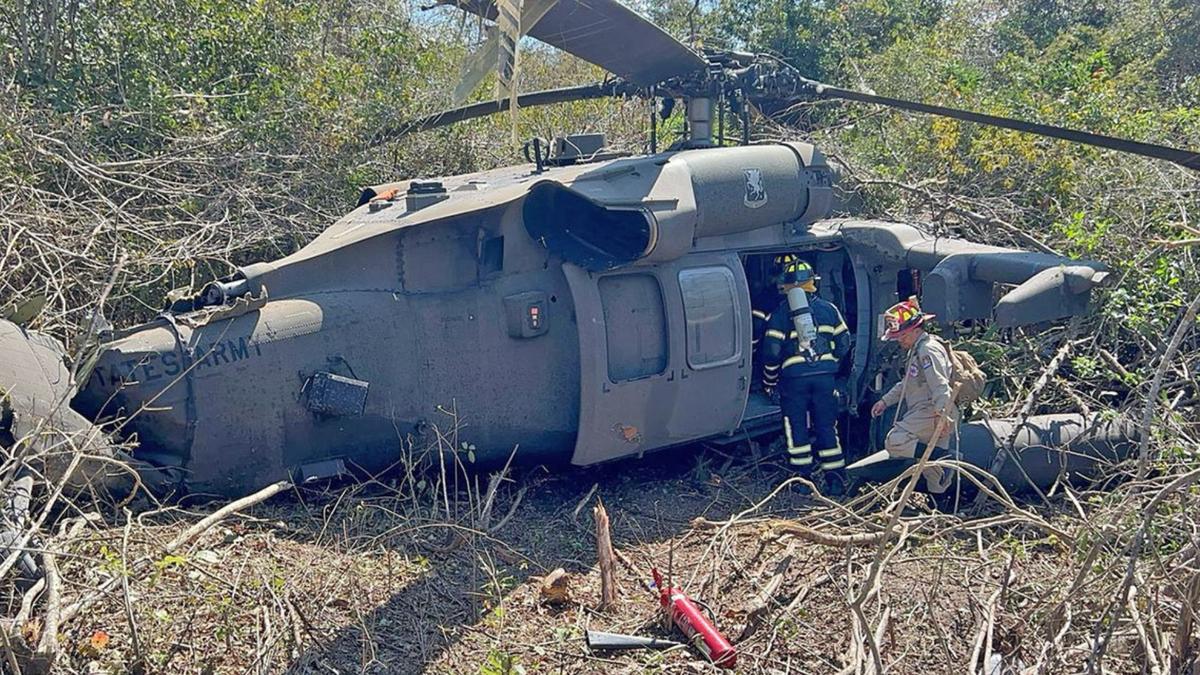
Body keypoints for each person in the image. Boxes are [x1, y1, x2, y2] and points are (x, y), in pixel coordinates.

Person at [761, 260, 851, 494]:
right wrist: (830, 364)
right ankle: (835, 481)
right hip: (825, 379)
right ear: (813, 284)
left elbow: (771, 352)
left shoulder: (781, 313)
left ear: (787, 287)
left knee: (796, 427)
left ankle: (802, 483)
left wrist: (770, 382)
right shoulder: (829, 309)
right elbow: (844, 343)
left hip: (794, 382)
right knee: (827, 426)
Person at [869, 298, 955, 492]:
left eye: (902, 335)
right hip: (929, 411)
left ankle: (944, 456)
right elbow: (906, 383)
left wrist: (942, 415)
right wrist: (885, 401)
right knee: (934, 475)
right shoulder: (917, 350)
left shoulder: (927, 350)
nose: (899, 340)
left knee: (895, 441)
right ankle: (941, 511)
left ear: (916, 330)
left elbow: (940, 384)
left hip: (931, 411)